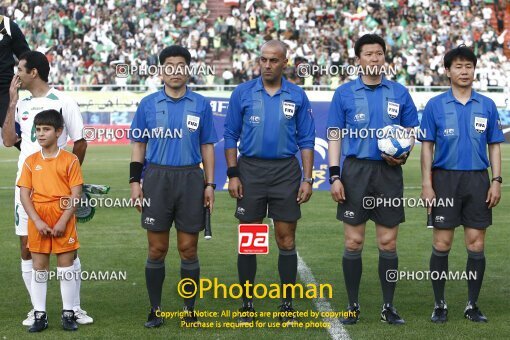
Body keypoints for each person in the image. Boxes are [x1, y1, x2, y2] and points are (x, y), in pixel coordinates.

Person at [327, 34, 419, 325]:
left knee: (388, 243)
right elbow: (334, 136)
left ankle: (388, 307)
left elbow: (411, 131)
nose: (375, 59)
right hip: (355, 172)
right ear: (358, 60)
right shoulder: (343, 94)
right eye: (368, 54)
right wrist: (334, 175)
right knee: (353, 242)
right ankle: (353, 306)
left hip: (389, 172)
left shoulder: (399, 92)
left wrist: (403, 154)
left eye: (379, 53)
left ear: (384, 58)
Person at [224, 40, 315, 324]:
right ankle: (247, 305)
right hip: (250, 171)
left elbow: (307, 140)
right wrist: (233, 174)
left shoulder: (297, 95)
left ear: (285, 63)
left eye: (273, 60)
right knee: (250, 241)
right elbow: (229, 135)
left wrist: (307, 178)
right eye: (263, 60)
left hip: (286, 173)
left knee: (286, 239)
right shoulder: (243, 92)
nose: (267, 65)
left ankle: (287, 305)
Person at [129, 45, 217, 328]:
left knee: (189, 249)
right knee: (156, 249)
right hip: (156, 179)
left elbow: (207, 146)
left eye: (181, 65)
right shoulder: (148, 104)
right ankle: (155, 309)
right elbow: (138, 145)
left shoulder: (201, 104)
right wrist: (134, 182)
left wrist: (210, 184)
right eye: (169, 65)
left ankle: (189, 309)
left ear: (188, 70)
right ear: (161, 70)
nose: (175, 70)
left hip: (191, 179)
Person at [2, 51, 91, 326]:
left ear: (34, 72)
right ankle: (37, 309)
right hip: (26, 186)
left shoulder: (64, 102)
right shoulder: (20, 102)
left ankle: (73, 308)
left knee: (67, 249)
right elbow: (7, 140)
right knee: (28, 248)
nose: (15, 74)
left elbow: (80, 142)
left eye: (20, 69)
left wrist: (68, 176)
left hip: (58, 190)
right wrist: (12, 101)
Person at [419, 45, 504, 323]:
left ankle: (471, 304)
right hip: (444, 180)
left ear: (474, 70)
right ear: (447, 71)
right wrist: (427, 184)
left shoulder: (487, 105)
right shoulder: (435, 105)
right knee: (442, 243)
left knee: (476, 245)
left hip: (478, 180)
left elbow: (494, 146)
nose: (464, 71)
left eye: (468, 66)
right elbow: (427, 147)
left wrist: (496, 181)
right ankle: (439, 303)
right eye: (458, 66)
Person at [17, 109, 83, 332]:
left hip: (63, 216)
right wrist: (36, 221)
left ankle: (68, 313)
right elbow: (24, 194)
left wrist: (64, 220)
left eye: (46, 129)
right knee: (39, 268)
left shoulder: (70, 160)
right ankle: (40, 314)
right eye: (38, 130)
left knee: (66, 267)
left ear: (59, 132)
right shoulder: (30, 161)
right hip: (39, 219)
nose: (41, 134)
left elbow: (76, 194)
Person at [0, 14, 30, 149]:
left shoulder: (7, 24)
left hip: (4, 90)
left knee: (18, 135)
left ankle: (44, 165)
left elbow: (26, 56)